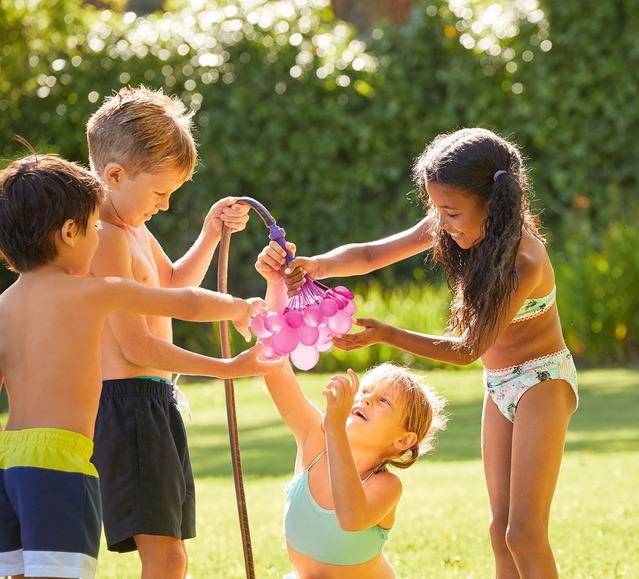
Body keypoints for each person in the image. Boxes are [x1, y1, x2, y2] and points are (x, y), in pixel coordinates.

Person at [259, 127, 579, 578]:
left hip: (542, 380)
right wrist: (318, 265)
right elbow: (372, 254)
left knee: (523, 533)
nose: (441, 223)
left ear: (491, 202)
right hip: (500, 384)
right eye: (436, 210)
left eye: (450, 212)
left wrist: (387, 333)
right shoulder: (449, 224)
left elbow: (468, 348)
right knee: (499, 530)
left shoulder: (525, 260)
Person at [0, 154, 281, 579]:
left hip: (8, 461)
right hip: (60, 462)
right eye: (94, 226)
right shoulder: (94, 294)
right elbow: (184, 301)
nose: (100, 235)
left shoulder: (3, 308)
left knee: (17, 573)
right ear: (69, 231)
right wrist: (239, 308)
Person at [84, 85, 269, 578]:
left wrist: (210, 232)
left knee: (172, 555)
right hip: (126, 406)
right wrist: (226, 369)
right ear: (115, 175)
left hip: (152, 401)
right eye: (161, 193)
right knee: (165, 557)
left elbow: (171, 285)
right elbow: (137, 344)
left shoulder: (133, 227)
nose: (164, 206)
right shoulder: (105, 238)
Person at [255, 253, 448, 578]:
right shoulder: (316, 440)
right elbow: (274, 369)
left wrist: (334, 429)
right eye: (366, 393)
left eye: (383, 401)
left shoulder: (386, 486)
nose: (367, 400)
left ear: (403, 439)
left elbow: (351, 517)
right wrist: (276, 285)